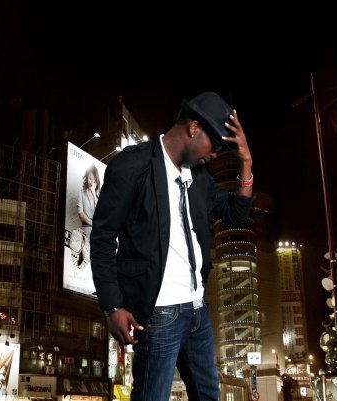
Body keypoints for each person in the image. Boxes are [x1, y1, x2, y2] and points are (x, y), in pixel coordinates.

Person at [91, 92, 254, 400]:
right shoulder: (133, 165)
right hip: (158, 314)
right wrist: (112, 306)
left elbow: (235, 214)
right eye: (214, 145)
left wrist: (246, 161)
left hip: (197, 312)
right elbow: (102, 237)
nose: (215, 154)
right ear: (193, 128)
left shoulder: (200, 178)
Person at [77, 163, 101, 240]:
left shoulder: (99, 194)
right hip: (86, 228)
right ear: (87, 177)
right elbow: (80, 213)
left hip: (98, 231)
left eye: (94, 180)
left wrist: (94, 194)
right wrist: (93, 224)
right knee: (86, 246)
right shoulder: (82, 192)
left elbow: (99, 212)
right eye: (90, 179)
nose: (91, 182)